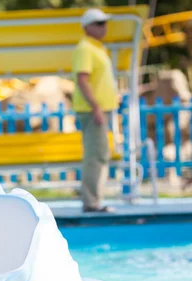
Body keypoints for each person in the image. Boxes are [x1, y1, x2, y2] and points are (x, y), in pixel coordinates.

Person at [72, 8, 118, 213]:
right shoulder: (85, 48)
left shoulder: (97, 48)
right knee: (96, 155)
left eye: (104, 23)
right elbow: (82, 80)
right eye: (98, 23)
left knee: (100, 154)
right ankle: (91, 203)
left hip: (100, 110)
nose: (103, 27)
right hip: (93, 111)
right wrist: (96, 107)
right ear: (87, 27)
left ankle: (94, 201)